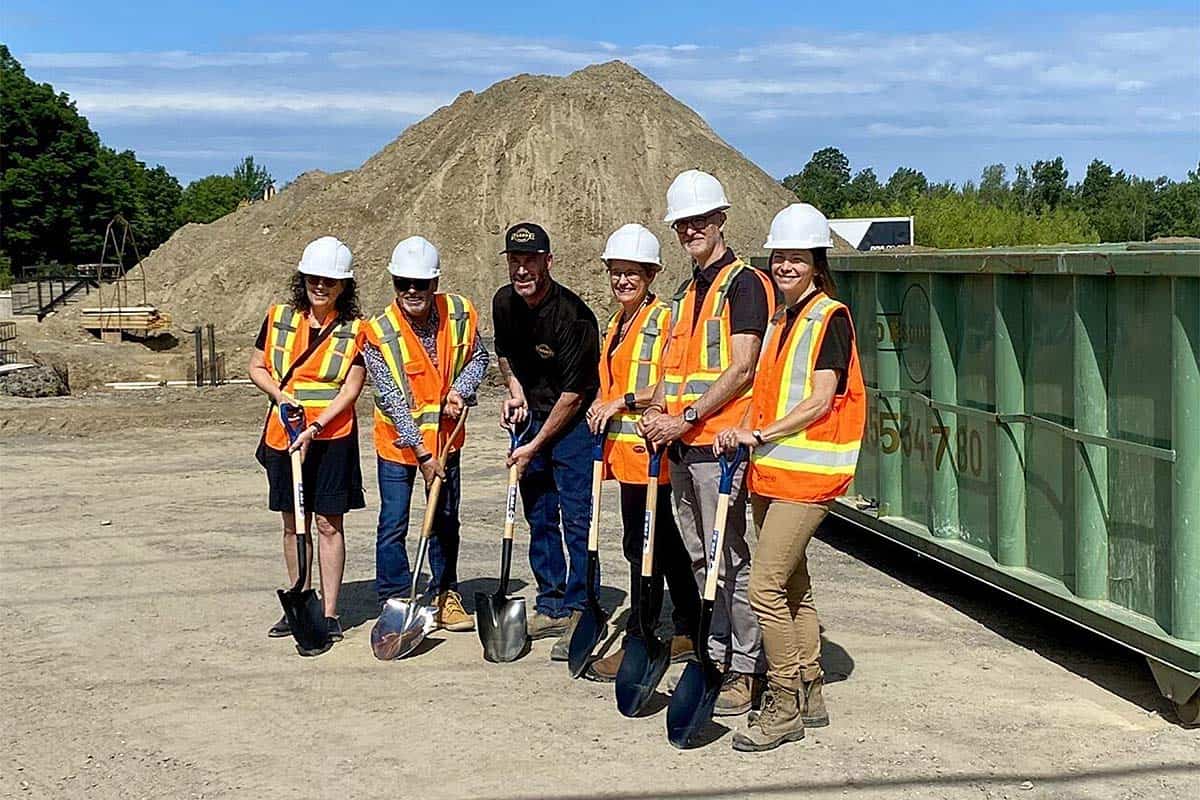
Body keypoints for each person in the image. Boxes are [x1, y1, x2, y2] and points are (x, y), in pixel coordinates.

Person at [715, 203, 866, 752]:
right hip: (773, 473)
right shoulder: (781, 320)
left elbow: (822, 397)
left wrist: (760, 434)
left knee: (764, 587)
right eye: (779, 257)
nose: (785, 266)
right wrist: (743, 431)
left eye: (796, 258)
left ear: (816, 263)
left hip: (809, 477)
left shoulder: (831, 317)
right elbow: (766, 391)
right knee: (793, 585)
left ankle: (781, 704)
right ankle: (809, 686)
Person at [642, 170, 775, 716]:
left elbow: (743, 367)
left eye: (699, 220)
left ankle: (748, 667)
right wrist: (649, 407)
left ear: (721, 219)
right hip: (681, 447)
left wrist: (688, 416)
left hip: (718, 450)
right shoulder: (686, 290)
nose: (690, 230)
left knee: (731, 559)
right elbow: (676, 373)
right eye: (682, 224)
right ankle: (715, 652)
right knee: (702, 559)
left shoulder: (744, 284)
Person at [583, 224, 701, 681]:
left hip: (651, 451)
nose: (622, 281)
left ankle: (642, 633)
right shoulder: (617, 322)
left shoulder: (665, 320)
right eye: (616, 272)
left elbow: (673, 382)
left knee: (644, 546)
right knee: (664, 545)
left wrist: (623, 401)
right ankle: (689, 627)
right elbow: (613, 378)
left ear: (651, 274)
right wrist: (602, 399)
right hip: (627, 454)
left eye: (632, 273)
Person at [362, 236, 489, 631]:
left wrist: (460, 389)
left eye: (420, 283)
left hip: (447, 440)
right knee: (394, 521)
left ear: (435, 283)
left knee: (445, 518)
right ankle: (395, 598)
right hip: (401, 443)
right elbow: (391, 398)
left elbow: (478, 357)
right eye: (403, 283)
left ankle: (445, 592)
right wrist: (422, 453)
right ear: (394, 284)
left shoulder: (460, 313)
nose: (412, 291)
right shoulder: (379, 331)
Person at [492, 222, 602, 661]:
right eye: (516, 261)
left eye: (531, 261)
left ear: (548, 262)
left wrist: (535, 445)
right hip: (531, 417)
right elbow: (503, 352)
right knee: (539, 515)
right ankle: (552, 602)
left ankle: (581, 606)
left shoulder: (573, 317)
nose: (523, 270)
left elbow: (575, 395)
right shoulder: (505, 302)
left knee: (577, 519)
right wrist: (513, 389)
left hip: (571, 424)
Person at [249, 235, 366, 643]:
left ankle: (330, 614)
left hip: (332, 437)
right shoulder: (279, 317)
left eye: (330, 281)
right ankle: (300, 597)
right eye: (314, 278)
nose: (321, 285)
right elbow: (257, 366)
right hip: (284, 434)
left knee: (327, 524)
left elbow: (351, 390)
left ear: (343, 286)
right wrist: (280, 398)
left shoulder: (354, 330)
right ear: (303, 278)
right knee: (291, 522)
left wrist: (315, 427)